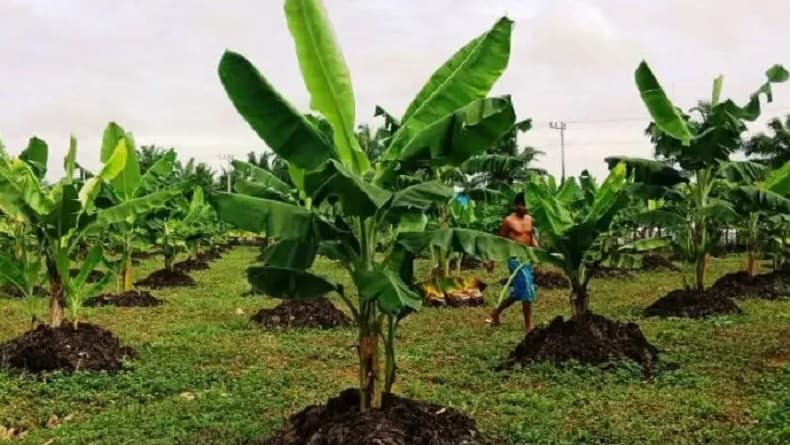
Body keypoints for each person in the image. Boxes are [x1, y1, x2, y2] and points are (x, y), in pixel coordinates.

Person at [486, 194, 539, 333]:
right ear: (517, 205)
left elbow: (531, 236)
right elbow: (499, 241)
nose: (526, 208)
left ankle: (496, 312)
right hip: (515, 259)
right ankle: (528, 325)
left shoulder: (529, 219)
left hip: (527, 259)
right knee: (527, 290)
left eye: (527, 205)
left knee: (519, 292)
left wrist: (537, 251)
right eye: (523, 205)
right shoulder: (508, 221)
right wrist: (491, 260)